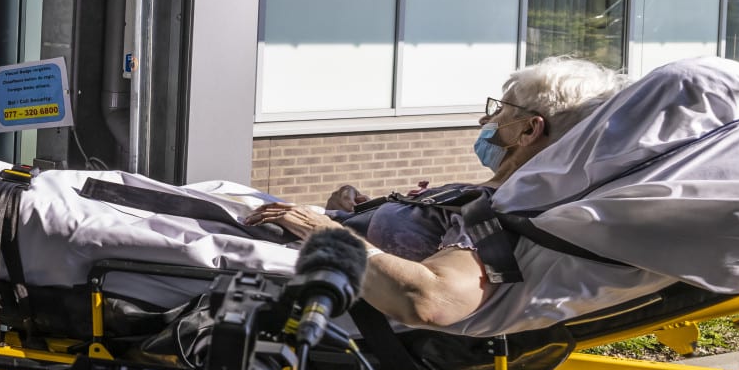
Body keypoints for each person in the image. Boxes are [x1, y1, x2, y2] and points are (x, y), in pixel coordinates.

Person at [245, 56, 627, 259]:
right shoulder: (492, 197)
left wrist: (323, 230)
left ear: (529, 130)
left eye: (501, 110)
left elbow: (434, 299)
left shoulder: (499, 212)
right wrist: (358, 210)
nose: (485, 120)